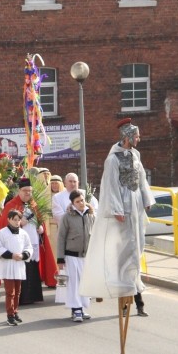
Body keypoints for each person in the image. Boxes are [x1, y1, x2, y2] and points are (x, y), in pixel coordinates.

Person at [80, 118, 154, 317]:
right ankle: (127, 295)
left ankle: (135, 288)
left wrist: (146, 199)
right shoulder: (112, 159)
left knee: (137, 248)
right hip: (123, 206)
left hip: (136, 205)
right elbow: (111, 186)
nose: (139, 138)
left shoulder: (135, 155)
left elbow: (142, 179)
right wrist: (117, 209)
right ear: (128, 137)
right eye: (136, 135)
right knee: (125, 250)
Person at [0, 177, 55, 305]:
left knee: (32, 268)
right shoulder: (11, 205)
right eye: (25, 190)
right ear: (19, 191)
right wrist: (19, 224)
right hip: (17, 245)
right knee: (22, 269)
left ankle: (32, 296)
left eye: (30, 191)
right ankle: (20, 298)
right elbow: (4, 225)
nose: (28, 193)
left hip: (32, 241)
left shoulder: (33, 204)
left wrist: (41, 227)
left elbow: (40, 220)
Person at [56, 190, 96, 322]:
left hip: (86, 256)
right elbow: (61, 237)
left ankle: (82, 307)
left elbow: (95, 235)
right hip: (71, 255)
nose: (81, 203)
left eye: (82, 200)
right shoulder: (67, 216)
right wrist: (60, 258)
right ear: (72, 203)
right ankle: (76, 309)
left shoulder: (90, 215)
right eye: (77, 201)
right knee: (74, 283)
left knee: (84, 282)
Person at [0, 210, 33, 326]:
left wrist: (23, 255)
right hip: (8, 265)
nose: (17, 222)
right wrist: (11, 255)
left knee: (18, 292)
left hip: (19, 265)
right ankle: (9, 315)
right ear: (9, 219)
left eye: (18, 219)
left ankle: (15, 312)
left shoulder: (23, 233)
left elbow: (28, 247)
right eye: (14, 219)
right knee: (10, 292)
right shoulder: (2, 233)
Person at [47, 175, 64, 260]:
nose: (54, 185)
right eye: (52, 183)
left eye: (56, 183)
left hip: (64, 227)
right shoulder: (46, 196)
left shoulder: (65, 196)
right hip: (52, 227)